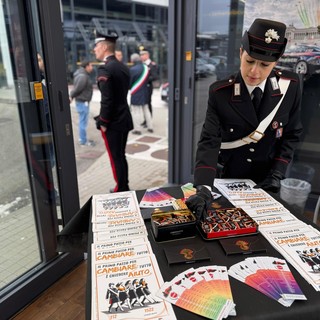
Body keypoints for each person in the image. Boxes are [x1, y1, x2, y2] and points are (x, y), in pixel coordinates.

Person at [186, 18, 303, 221]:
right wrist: (203, 187)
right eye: (249, 61)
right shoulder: (220, 93)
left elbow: (292, 134)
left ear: (275, 63)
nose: (254, 72)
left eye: (265, 65)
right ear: (241, 53)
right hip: (228, 179)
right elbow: (209, 141)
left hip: (267, 181)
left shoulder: (290, 87)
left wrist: (277, 172)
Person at [93, 30, 133, 193]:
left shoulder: (106, 69)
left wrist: (103, 122)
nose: (94, 49)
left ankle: (120, 188)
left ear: (103, 47)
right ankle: (124, 185)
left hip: (113, 123)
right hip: (124, 119)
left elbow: (107, 100)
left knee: (115, 157)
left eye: (96, 46)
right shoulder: (122, 67)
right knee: (121, 156)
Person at [69, 61, 94, 146]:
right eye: (91, 65)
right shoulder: (83, 76)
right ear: (86, 66)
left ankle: (83, 139)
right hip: (82, 102)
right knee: (83, 122)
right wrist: (71, 96)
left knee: (83, 121)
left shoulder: (82, 74)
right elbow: (78, 89)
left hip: (82, 102)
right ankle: (83, 140)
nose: (92, 67)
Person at [129, 53, 153, 134]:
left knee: (136, 112)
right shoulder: (146, 67)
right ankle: (150, 127)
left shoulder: (132, 70)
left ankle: (137, 129)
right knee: (146, 110)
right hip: (145, 92)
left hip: (136, 93)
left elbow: (129, 83)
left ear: (132, 60)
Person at [139, 50, 159, 122]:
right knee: (143, 103)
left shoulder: (152, 65)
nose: (141, 56)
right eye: (140, 55)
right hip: (142, 87)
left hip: (148, 87)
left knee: (147, 103)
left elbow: (155, 76)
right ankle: (145, 120)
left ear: (147, 55)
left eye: (143, 55)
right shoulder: (142, 64)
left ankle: (149, 120)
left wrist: (145, 79)